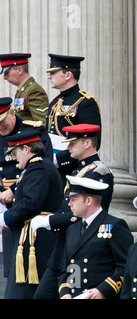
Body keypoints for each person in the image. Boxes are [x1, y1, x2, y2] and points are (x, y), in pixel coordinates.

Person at [32, 123, 114, 299]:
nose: (67, 147)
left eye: (72, 143)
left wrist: (50, 221)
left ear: (86, 143)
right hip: (64, 247)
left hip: (83, 248)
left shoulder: (99, 172)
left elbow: (88, 215)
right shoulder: (78, 171)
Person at [0, 129, 63, 299]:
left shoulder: (38, 168)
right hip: (33, 239)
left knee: (23, 292)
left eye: (14, 152)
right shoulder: (36, 167)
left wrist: (5, 218)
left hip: (36, 241)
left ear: (26, 149)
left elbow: (31, 203)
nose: (13, 158)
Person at [0, 97, 54, 280]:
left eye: (2, 122)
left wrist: (14, 189)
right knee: (12, 269)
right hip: (6, 205)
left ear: (12, 113)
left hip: (30, 202)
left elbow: (41, 165)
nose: (0, 128)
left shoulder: (34, 130)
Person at [58, 176, 133, 299]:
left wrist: (103, 290)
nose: (69, 204)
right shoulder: (73, 229)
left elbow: (127, 265)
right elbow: (68, 267)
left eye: (74, 199)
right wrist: (66, 292)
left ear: (88, 201)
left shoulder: (115, 225)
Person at [46, 53, 102, 180]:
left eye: (53, 73)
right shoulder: (54, 103)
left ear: (68, 75)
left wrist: (58, 160)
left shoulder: (85, 103)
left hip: (74, 170)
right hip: (53, 171)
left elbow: (94, 142)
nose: (49, 77)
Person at [0, 53, 49, 123]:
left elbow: (42, 122)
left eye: (7, 73)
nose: (4, 77)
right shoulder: (23, 90)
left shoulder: (33, 90)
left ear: (20, 70)